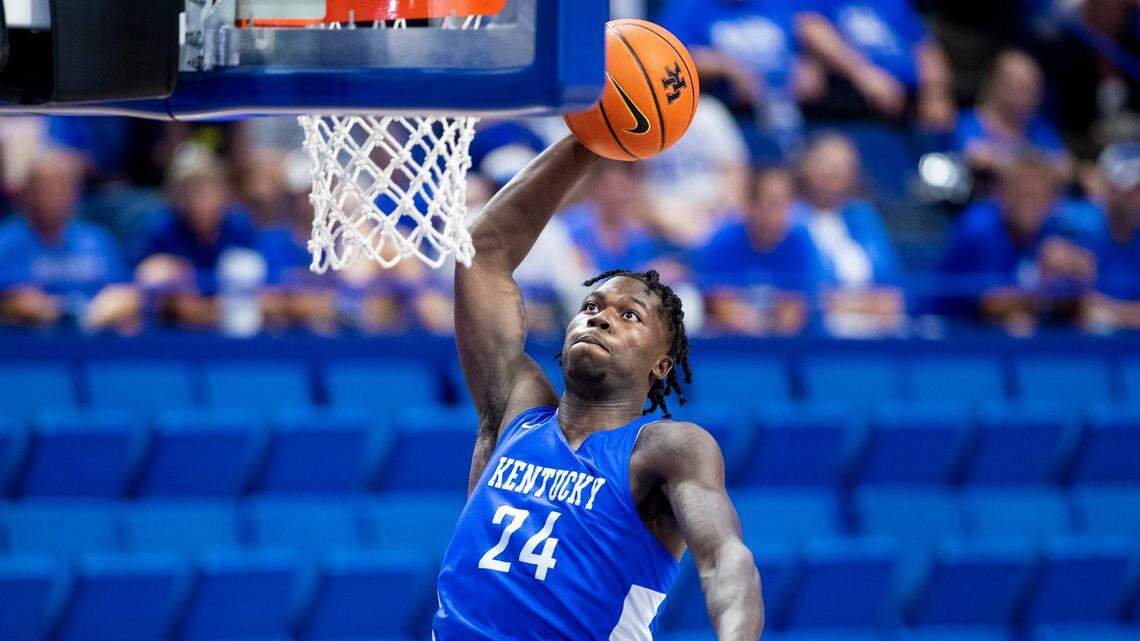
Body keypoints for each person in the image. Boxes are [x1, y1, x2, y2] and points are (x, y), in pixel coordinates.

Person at [434, 136, 763, 640]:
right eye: (590, 307)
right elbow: (481, 254)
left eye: (628, 315)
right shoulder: (515, 408)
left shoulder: (666, 449)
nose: (600, 319)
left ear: (662, 364)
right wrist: (588, 140)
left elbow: (724, 559)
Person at [939, 150, 1092, 333]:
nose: (1031, 204)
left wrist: (1077, 276)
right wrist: (1046, 284)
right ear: (1001, 192)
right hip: (951, 335)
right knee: (1018, 324)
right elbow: (990, 304)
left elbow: (1080, 295)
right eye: (1023, 193)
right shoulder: (978, 227)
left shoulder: (1055, 229)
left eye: (1041, 195)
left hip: (1007, 335)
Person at [0, 150, 133, 330]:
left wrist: (98, 313)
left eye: (63, 185)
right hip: (28, 345)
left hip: (96, 339)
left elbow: (124, 295)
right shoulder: (7, 242)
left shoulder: (98, 240)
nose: (54, 195)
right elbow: (10, 301)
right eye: (45, 187)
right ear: (28, 193)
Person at [693, 167, 826, 335]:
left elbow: (793, 315)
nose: (778, 214)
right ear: (750, 204)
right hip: (733, 347)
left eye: (785, 204)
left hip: (785, 350)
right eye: (771, 203)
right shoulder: (723, 240)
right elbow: (722, 307)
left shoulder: (800, 242)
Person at [795, 134, 905, 335]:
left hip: (876, 336)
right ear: (806, 167)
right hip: (815, 340)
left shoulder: (865, 215)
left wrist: (848, 305)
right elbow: (808, 298)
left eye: (843, 165)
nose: (834, 172)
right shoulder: (791, 219)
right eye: (826, 163)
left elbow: (892, 292)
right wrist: (865, 305)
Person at [798, 0, 956, 129]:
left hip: (911, 109)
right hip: (852, 110)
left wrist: (935, 93)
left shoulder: (894, 3)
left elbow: (924, 47)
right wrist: (864, 74)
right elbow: (811, 28)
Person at [953, 50, 1074, 182]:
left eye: (1032, 88)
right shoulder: (967, 123)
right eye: (1019, 86)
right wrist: (1039, 165)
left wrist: (1003, 161)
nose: (1028, 96)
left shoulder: (1041, 129)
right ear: (995, 83)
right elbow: (977, 159)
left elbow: (1065, 168)